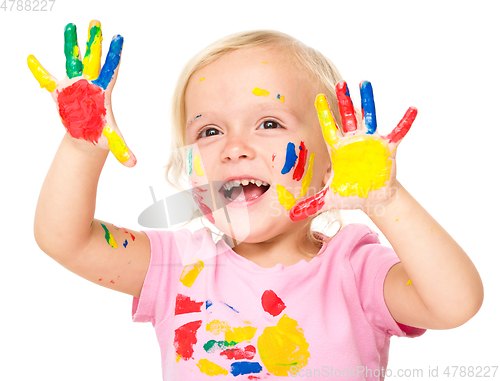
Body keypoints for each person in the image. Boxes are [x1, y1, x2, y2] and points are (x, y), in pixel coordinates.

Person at [30, 20, 483, 380]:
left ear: (331, 162)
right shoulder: (175, 267)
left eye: (268, 123)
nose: (234, 147)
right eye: (209, 131)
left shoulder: (355, 269)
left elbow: (456, 303)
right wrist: (81, 146)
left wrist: (386, 200)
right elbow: (63, 238)